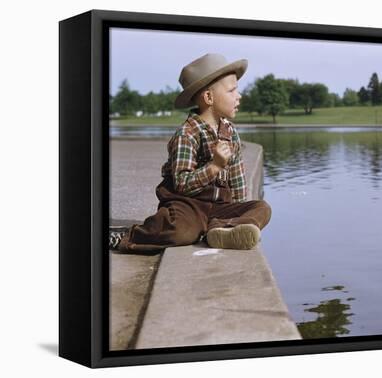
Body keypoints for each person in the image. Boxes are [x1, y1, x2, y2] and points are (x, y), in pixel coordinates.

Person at [109, 53, 272, 253]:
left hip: (219, 208)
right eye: (232, 91)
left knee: (262, 208)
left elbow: (237, 183)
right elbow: (182, 185)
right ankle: (129, 235)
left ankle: (222, 230)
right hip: (188, 205)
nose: (239, 96)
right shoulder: (187, 134)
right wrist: (214, 167)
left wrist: (238, 213)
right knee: (181, 232)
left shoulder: (230, 133)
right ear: (209, 97)